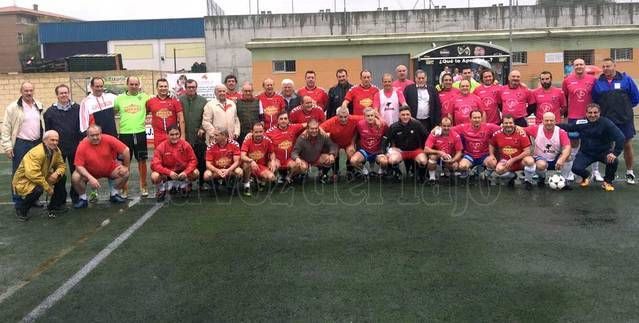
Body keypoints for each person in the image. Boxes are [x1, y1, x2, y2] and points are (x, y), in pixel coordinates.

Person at [592, 57, 639, 184]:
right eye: (604, 67)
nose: (606, 69)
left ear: (615, 65)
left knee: (626, 145)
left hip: (624, 120)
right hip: (606, 120)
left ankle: (630, 172)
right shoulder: (598, 82)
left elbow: (635, 98)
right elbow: (595, 100)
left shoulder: (626, 79)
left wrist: (624, 110)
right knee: (608, 147)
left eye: (608, 66)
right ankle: (609, 175)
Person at [558, 103, 625, 191]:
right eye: (590, 113)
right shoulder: (581, 122)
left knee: (613, 161)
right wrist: (552, 125)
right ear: (586, 113)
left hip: (604, 152)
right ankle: (586, 176)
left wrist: (615, 153)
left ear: (599, 113)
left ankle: (608, 182)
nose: (592, 115)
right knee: (575, 168)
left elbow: (620, 137)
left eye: (595, 113)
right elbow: (569, 127)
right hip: (586, 153)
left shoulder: (606, 123)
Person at [562, 58, 601, 182]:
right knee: (573, 146)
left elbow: (597, 96)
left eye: (581, 64)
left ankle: (595, 171)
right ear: (573, 66)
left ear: (585, 66)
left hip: (590, 117)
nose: (579, 66)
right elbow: (565, 97)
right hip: (574, 118)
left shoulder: (593, 80)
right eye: (576, 64)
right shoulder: (567, 80)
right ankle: (572, 171)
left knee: (594, 144)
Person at [12, 130, 66, 221]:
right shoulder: (37, 153)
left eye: (57, 140)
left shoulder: (56, 150)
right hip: (24, 180)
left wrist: (57, 173)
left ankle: (54, 206)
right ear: (44, 140)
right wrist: (48, 188)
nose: (55, 143)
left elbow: (61, 165)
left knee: (62, 177)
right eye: (52, 140)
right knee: (38, 189)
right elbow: (33, 174)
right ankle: (22, 210)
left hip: (41, 176)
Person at [72, 125, 130, 208]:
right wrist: (90, 178)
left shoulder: (108, 139)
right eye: (92, 135)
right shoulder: (82, 145)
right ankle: (83, 199)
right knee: (75, 177)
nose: (95, 137)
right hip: (90, 172)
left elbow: (126, 150)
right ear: (87, 136)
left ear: (101, 134)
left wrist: (126, 166)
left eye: (97, 134)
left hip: (110, 169)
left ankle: (114, 194)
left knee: (126, 173)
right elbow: (78, 166)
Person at [43, 84, 83, 205]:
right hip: (57, 150)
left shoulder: (78, 108)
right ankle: (60, 199)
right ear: (57, 95)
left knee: (77, 174)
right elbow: (48, 131)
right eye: (61, 93)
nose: (64, 95)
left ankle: (76, 197)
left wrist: (81, 142)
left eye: (65, 92)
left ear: (69, 93)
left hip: (75, 147)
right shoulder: (50, 112)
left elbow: (82, 127)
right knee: (58, 175)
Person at [2, 82, 46, 185]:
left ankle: (33, 198)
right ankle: (18, 199)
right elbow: (6, 128)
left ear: (33, 91)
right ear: (21, 92)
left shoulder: (39, 105)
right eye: (26, 91)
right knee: (19, 172)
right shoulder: (12, 107)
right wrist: (7, 147)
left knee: (35, 171)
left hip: (37, 143)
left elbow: (43, 125)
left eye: (31, 90)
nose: (29, 93)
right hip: (21, 144)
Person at [113, 76, 151, 198]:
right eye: (131, 84)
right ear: (127, 85)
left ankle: (143, 186)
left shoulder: (145, 97)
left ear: (139, 85)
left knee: (142, 161)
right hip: (124, 134)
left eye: (136, 84)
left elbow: (152, 107)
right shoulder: (119, 99)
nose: (134, 86)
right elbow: (113, 112)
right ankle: (124, 188)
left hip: (140, 133)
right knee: (124, 162)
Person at [150, 125, 199, 201]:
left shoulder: (185, 145)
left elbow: (193, 161)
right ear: (167, 135)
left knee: (196, 173)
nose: (175, 137)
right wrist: (169, 172)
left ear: (179, 134)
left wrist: (186, 172)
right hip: (167, 174)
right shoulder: (161, 147)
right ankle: (162, 188)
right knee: (154, 176)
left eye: (177, 134)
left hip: (181, 173)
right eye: (172, 135)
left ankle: (185, 184)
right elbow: (154, 165)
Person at [487, 115, 536, 189]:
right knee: (499, 170)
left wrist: (513, 159)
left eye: (510, 123)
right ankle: (512, 176)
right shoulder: (497, 134)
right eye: (506, 123)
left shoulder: (521, 134)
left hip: (520, 161)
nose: (508, 125)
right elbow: (491, 144)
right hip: (506, 161)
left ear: (514, 124)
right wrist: (491, 155)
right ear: (502, 124)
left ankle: (528, 181)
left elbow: (527, 151)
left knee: (530, 161)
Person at [525, 112, 571, 187]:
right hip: (540, 159)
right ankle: (542, 178)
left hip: (556, 160)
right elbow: (520, 129)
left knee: (568, 157)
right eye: (546, 120)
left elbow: (567, 147)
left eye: (551, 120)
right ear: (542, 121)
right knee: (541, 165)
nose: (549, 123)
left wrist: (562, 159)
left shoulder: (561, 132)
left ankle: (564, 180)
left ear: (555, 121)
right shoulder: (536, 129)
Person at [451, 110, 501, 178]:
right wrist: (437, 128)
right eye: (474, 118)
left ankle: (486, 174)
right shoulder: (463, 127)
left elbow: (504, 128)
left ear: (481, 118)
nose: (477, 120)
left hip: (484, 155)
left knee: (493, 163)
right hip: (470, 155)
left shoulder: (488, 127)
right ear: (470, 118)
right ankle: (469, 172)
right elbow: (449, 130)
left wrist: (517, 127)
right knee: (462, 166)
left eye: (478, 117)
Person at [383, 106, 428, 182]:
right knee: (392, 160)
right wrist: (384, 152)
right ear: (399, 115)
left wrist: (425, 149)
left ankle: (421, 175)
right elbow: (386, 140)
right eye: (403, 115)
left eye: (407, 114)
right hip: (401, 151)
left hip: (415, 150)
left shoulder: (417, 124)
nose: (405, 117)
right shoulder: (394, 126)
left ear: (410, 115)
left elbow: (426, 136)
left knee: (423, 161)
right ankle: (398, 174)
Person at [179, 79, 208, 189]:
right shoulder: (180, 100)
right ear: (185, 88)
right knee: (185, 161)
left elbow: (206, 118)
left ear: (196, 88)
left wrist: (202, 128)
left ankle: (201, 183)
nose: (191, 89)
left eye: (193, 87)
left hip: (199, 137)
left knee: (200, 160)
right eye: (189, 87)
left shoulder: (203, 101)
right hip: (184, 136)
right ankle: (187, 183)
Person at [320, 106, 364, 179]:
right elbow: (319, 128)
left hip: (348, 142)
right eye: (341, 117)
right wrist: (326, 137)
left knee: (351, 152)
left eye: (345, 117)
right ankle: (335, 172)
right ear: (337, 116)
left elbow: (368, 116)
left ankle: (350, 171)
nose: (343, 119)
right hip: (335, 142)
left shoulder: (353, 118)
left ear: (348, 115)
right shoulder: (332, 121)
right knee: (333, 154)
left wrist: (379, 121)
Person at [291, 119, 338, 184]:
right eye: (312, 129)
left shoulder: (322, 135)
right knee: (302, 167)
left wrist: (332, 154)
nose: (314, 131)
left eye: (316, 128)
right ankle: (298, 175)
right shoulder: (302, 138)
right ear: (307, 128)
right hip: (305, 160)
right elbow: (294, 152)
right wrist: (297, 158)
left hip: (317, 158)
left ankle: (323, 175)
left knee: (328, 158)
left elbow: (332, 145)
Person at [265, 111, 306, 183]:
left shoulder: (293, 127)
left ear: (288, 120)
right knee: (272, 168)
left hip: (289, 159)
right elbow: (261, 137)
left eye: (285, 119)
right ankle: (276, 176)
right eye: (281, 119)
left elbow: (307, 124)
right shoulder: (270, 132)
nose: (283, 121)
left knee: (302, 167)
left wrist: (318, 128)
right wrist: (250, 135)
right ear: (277, 120)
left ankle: (289, 177)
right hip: (277, 160)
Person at [240, 122, 277, 196]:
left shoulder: (267, 140)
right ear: (252, 132)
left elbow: (272, 153)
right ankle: (246, 186)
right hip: (249, 166)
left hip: (260, 166)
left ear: (263, 131)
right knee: (246, 164)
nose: (259, 134)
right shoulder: (247, 140)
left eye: (260, 131)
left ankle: (260, 182)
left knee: (272, 177)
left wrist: (273, 161)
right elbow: (242, 156)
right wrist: (251, 161)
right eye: (256, 132)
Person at [146, 78, 185, 146]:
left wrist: (183, 136)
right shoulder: (151, 101)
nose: (163, 88)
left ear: (168, 87)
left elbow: (181, 120)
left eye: (165, 86)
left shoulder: (174, 100)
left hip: (173, 136)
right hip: (158, 137)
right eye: (161, 86)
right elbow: (143, 113)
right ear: (156, 88)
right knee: (159, 156)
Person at [350, 107, 388, 177]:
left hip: (378, 151)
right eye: (368, 116)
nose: (370, 118)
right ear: (364, 116)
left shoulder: (382, 125)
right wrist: (352, 145)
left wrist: (386, 149)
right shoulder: (360, 124)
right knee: (353, 161)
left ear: (375, 116)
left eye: (371, 115)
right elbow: (355, 135)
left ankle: (381, 171)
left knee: (384, 162)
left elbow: (387, 136)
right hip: (365, 151)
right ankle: (365, 171)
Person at [424, 117, 463, 183]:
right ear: (440, 125)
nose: (446, 128)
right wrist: (439, 152)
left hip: (450, 157)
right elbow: (426, 149)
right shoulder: (435, 133)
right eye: (444, 126)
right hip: (438, 156)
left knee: (454, 166)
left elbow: (459, 152)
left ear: (451, 126)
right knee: (432, 157)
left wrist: (453, 160)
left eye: (448, 126)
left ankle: (448, 171)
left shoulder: (455, 135)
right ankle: (432, 178)